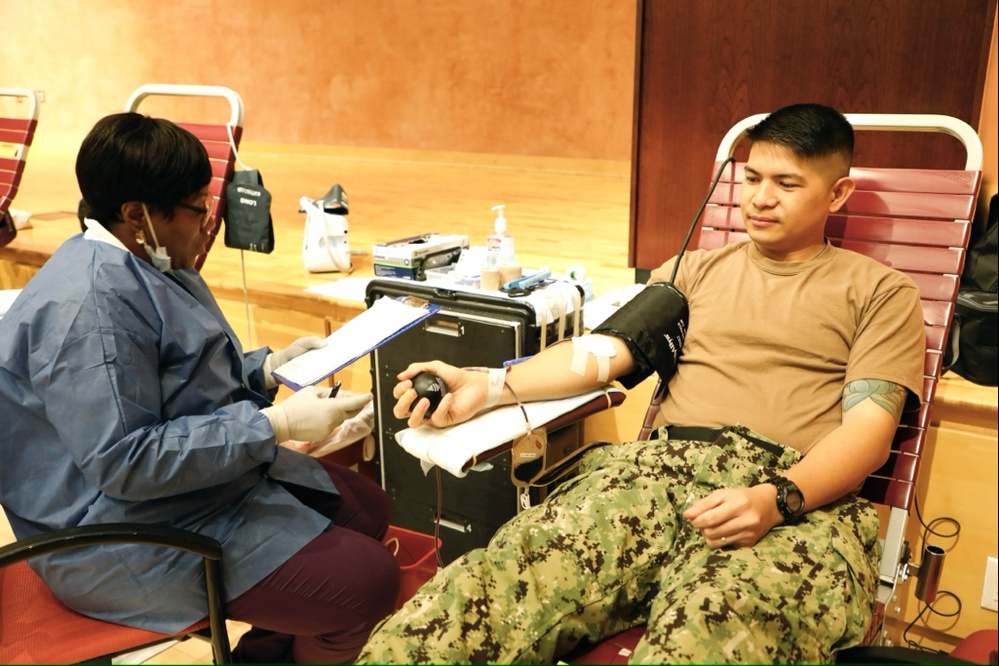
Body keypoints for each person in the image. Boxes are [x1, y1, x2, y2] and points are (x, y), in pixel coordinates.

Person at [356, 103, 926, 664]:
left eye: (786, 183)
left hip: (790, 498)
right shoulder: (693, 272)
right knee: (491, 589)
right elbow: (605, 354)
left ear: (838, 194)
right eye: (751, 176)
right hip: (655, 477)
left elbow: (870, 432)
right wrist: (489, 384)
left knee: (716, 629)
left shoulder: (880, 292)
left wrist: (778, 498)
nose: (759, 197)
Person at [0, 113, 400, 663]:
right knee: (368, 585)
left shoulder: (138, 257)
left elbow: (177, 375)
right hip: (116, 534)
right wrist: (272, 425)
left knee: (365, 509)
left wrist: (265, 370)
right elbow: (127, 462)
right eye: (196, 207)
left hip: (174, 493)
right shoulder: (89, 310)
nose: (207, 221)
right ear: (136, 213)